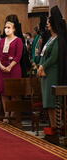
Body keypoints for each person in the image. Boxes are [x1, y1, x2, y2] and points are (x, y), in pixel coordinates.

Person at [37, 6, 67, 135]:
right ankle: (52, 126)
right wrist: (39, 65)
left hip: (52, 73)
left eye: (49, 23)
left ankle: (58, 126)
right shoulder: (50, 39)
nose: (47, 25)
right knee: (47, 102)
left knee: (53, 101)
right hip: (45, 74)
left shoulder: (58, 40)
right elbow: (43, 54)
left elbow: (54, 57)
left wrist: (43, 66)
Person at [0, 15, 23, 123]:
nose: (6, 29)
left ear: (14, 29)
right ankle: (6, 112)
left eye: (9, 27)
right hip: (2, 69)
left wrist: (10, 66)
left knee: (14, 92)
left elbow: (18, 56)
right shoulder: (2, 40)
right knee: (3, 92)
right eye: (5, 27)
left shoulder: (18, 40)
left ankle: (12, 113)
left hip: (14, 69)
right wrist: (1, 66)